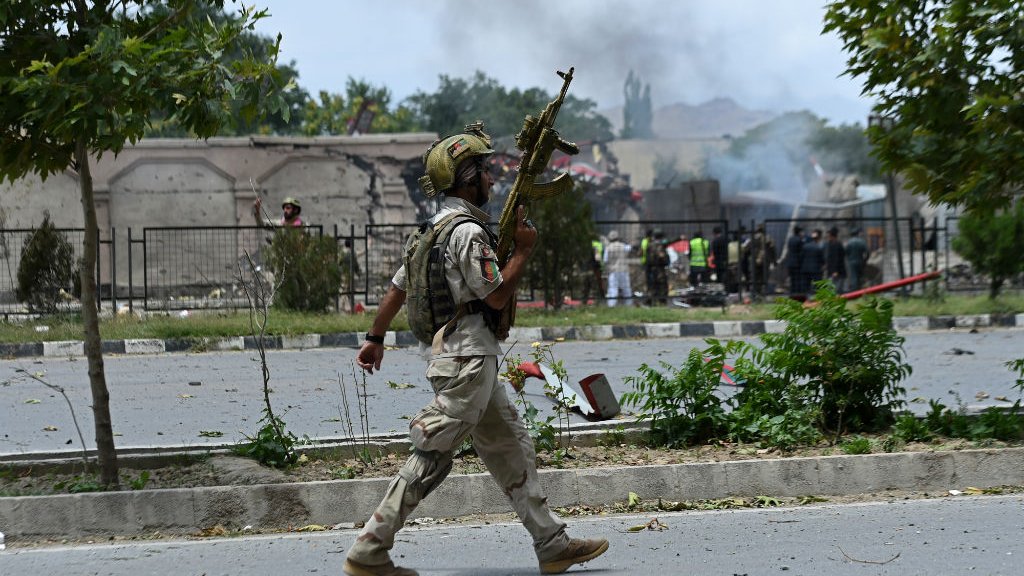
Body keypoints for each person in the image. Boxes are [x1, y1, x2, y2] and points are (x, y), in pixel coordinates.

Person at [345, 125, 608, 576]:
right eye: (485, 171)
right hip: (469, 362)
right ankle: (369, 548)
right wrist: (523, 252)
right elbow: (496, 296)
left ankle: (551, 544)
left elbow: (396, 290)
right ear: (468, 179)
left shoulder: (432, 230)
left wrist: (374, 338)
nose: (491, 180)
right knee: (431, 453)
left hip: (467, 359)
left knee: (512, 447)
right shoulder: (468, 233)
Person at [604, 229, 632, 306]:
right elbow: (630, 248)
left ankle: (612, 305)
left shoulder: (608, 248)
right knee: (626, 288)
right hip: (624, 269)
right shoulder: (623, 246)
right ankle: (628, 304)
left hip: (613, 270)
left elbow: (605, 260)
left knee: (613, 288)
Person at [748, 224, 776, 299]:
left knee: (755, 278)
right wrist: (774, 262)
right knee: (764, 277)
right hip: (765, 261)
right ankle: (762, 294)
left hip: (755, 261)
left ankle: (756, 294)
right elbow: (773, 251)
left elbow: (748, 249)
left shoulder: (752, 238)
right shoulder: (768, 238)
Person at [646, 229, 670, 305]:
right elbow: (661, 256)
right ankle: (662, 302)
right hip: (659, 268)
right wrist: (666, 261)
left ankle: (650, 302)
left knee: (652, 286)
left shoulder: (649, 244)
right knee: (662, 286)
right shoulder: (659, 245)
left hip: (650, 268)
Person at [800, 229, 825, 298]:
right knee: (817, 285)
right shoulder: (818, 248)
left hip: (805, 269)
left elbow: (801, 257)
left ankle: (807, 298)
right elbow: (822, 259)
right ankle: (816, 297)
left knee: (806, 285)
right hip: (816, 269)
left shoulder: (805, 247)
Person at [845, 227, 870, 291]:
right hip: (860, 260)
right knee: (860, 276)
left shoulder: (849, 242)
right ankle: (860, 289)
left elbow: (846, 252)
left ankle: (855, 291)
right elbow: (867, 251)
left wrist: (849, 258)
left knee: (853, 276)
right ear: (857, 234)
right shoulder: (862, 241)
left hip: (852, 261)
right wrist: (865, 260)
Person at [782, 225, 804, 296]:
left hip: (790, 262)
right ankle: (797, 294)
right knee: (797, 279)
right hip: (797, 263)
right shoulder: (799, 240)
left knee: (792, 279)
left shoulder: (790, 239)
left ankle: (792, 293)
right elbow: (801, 252)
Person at [823, 227, 847, 293]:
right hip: (833, 270)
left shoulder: (836, 244)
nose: (827, 236)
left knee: (837, 289)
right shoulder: (831, 244)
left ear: (832, 235)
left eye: (829, 234)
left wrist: (835, 270)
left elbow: (837, 258)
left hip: (836, 271)